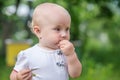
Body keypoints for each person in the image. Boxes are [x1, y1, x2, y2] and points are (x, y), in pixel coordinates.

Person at [10, 2, 82, 80]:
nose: (64, 34)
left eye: (67, 29)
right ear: (38, 31)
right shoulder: (29, 54)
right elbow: (13, 75)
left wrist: (71, 55)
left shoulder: (66, 52)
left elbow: (75, 74)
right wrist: (18, 77)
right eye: (57, 29)